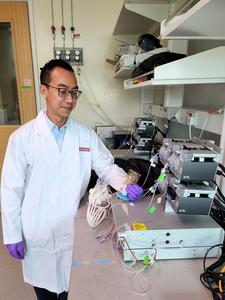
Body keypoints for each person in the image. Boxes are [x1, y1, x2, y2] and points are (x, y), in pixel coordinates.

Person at [0, 59, 143, 300]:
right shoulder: (22, 138)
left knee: (73, 287)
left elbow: (107, 167)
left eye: (74, 93)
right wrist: (12, 233)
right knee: (45, 290)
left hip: (72, 228)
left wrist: (124, 184)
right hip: (37, 229)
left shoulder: (84, 135)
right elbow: (11, 189)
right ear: (44, 90)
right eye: (62, 91)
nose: (69, 99)